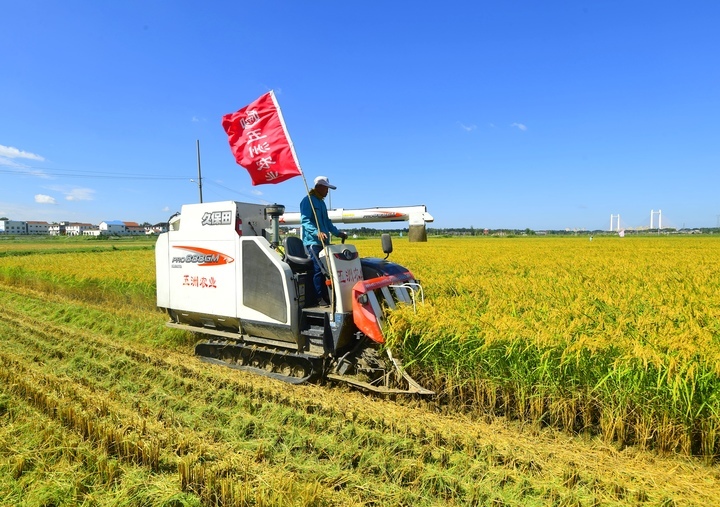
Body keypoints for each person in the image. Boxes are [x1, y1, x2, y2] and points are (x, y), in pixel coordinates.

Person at [300, 176, 347, 306]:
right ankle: (319, 297)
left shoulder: (321, 203)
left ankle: (328, 294)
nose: (327, 191)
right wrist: (317, 232)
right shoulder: (307, 201)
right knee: (319, 269)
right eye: (326, 188)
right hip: (313, 243)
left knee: (329, 269)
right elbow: (305, 221)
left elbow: (327, 222)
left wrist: (338, 233)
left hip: (324, 243)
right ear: (319, 187)